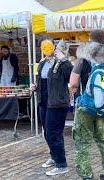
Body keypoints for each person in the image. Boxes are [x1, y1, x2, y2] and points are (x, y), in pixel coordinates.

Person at [69, 30, 104, 180]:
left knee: (83, 142)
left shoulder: (84, 55)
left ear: (91, 40)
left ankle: (87, 175)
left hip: (86, 107)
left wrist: (73, 87)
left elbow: (73, 82)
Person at [30, 39, 73, 176]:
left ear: (54, 48)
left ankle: (61, 164)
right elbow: (42, 81)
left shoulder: (61, 62)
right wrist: (35, 87)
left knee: (53, 133)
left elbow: (71, 77)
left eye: (49, 46)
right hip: (44, 101)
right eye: (44, 46)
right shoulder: (42, 63)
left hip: (57, 103)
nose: (46, 48)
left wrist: (63, 59)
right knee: (47, 132)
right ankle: (54, 157)